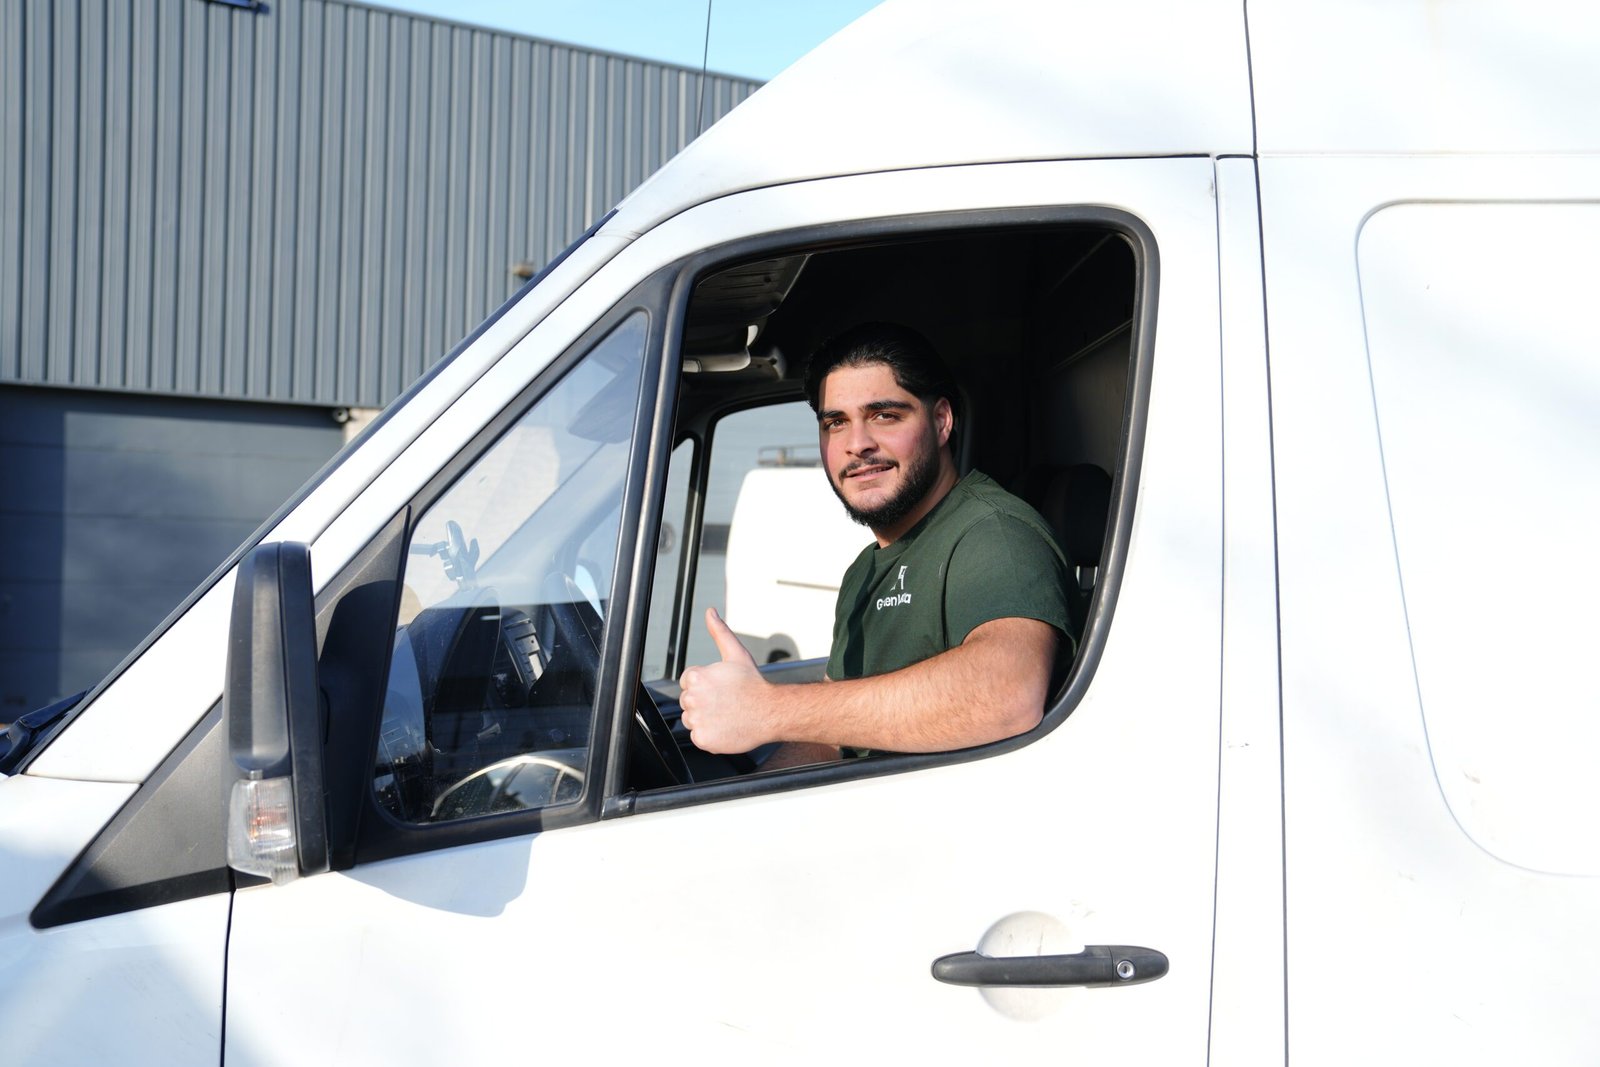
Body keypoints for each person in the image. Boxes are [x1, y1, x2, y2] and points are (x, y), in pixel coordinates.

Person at [678, 322, 1072, 766]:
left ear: (941, 421)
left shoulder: (994, 532)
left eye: (884, 415)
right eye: (836, 423)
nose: (857, 445)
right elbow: (833, 736)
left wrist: (767, 709)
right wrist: (749, 798)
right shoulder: (864, 570)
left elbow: (1007, 694)